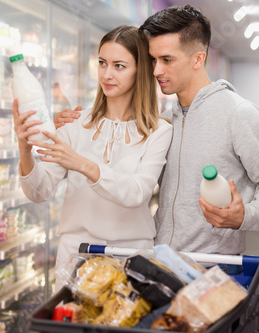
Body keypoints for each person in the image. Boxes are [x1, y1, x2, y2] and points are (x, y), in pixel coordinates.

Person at [54, 5, 259, 265]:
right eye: (153, 60)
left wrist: (245, 215)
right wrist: (70, 125)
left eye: (167, 60)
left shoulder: (239, 113)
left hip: (213, 265)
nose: (156, 71)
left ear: (198, 59)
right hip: (162, 260)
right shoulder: (164, 120)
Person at [12, 25, 173, 289]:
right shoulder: (76, 122)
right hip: (76, 256)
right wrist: (24, 147)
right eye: (102, 63)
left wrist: (81, 163)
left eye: (119, 66)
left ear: (140, 71)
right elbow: (39, 191)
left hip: (131, 257)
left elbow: (136, 193)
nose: (107, 74)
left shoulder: (159, 131)